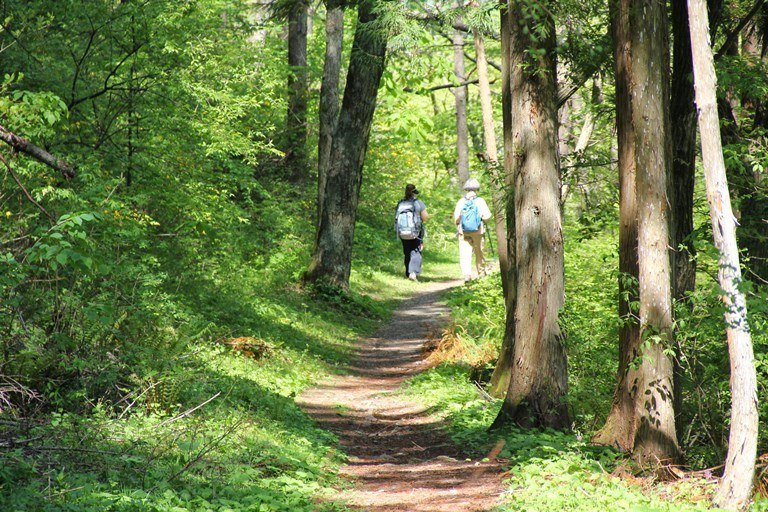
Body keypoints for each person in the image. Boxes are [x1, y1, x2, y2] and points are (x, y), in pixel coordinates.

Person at [453, 178, 492, 283]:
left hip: (463, 232)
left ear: (466, 189)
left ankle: (467, 275)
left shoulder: (461, 201)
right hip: (478, 232)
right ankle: (481, 273)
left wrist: (460, 223)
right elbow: (487, 216)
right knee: (479, 252)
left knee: (465, 253)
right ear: (476, 189)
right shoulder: (480, 201)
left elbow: (456, 219)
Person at [394, 184, 429, 281]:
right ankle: (413, 273)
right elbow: (425, 217)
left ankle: (408, 272)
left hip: (402, 232)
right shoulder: (418, 203)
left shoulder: (400, 203)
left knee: (407, 251)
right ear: (414, 193)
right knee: (416, 251)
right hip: (415, 232)